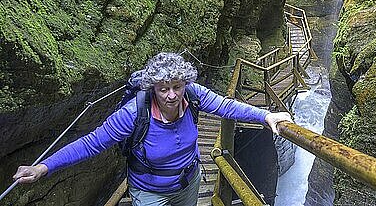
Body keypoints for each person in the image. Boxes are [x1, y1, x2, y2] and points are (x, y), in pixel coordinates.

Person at [13, 52, 293, 205]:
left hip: (188, 183)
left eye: (177, 87)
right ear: (153, 87)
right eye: (163, 89)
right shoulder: (134, 113)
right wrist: (42, 168)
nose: (172, 95)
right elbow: (91, 143)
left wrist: (265, 116)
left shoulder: (193, 94)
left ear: (185, 84)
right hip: (149, 193)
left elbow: (226, 106)